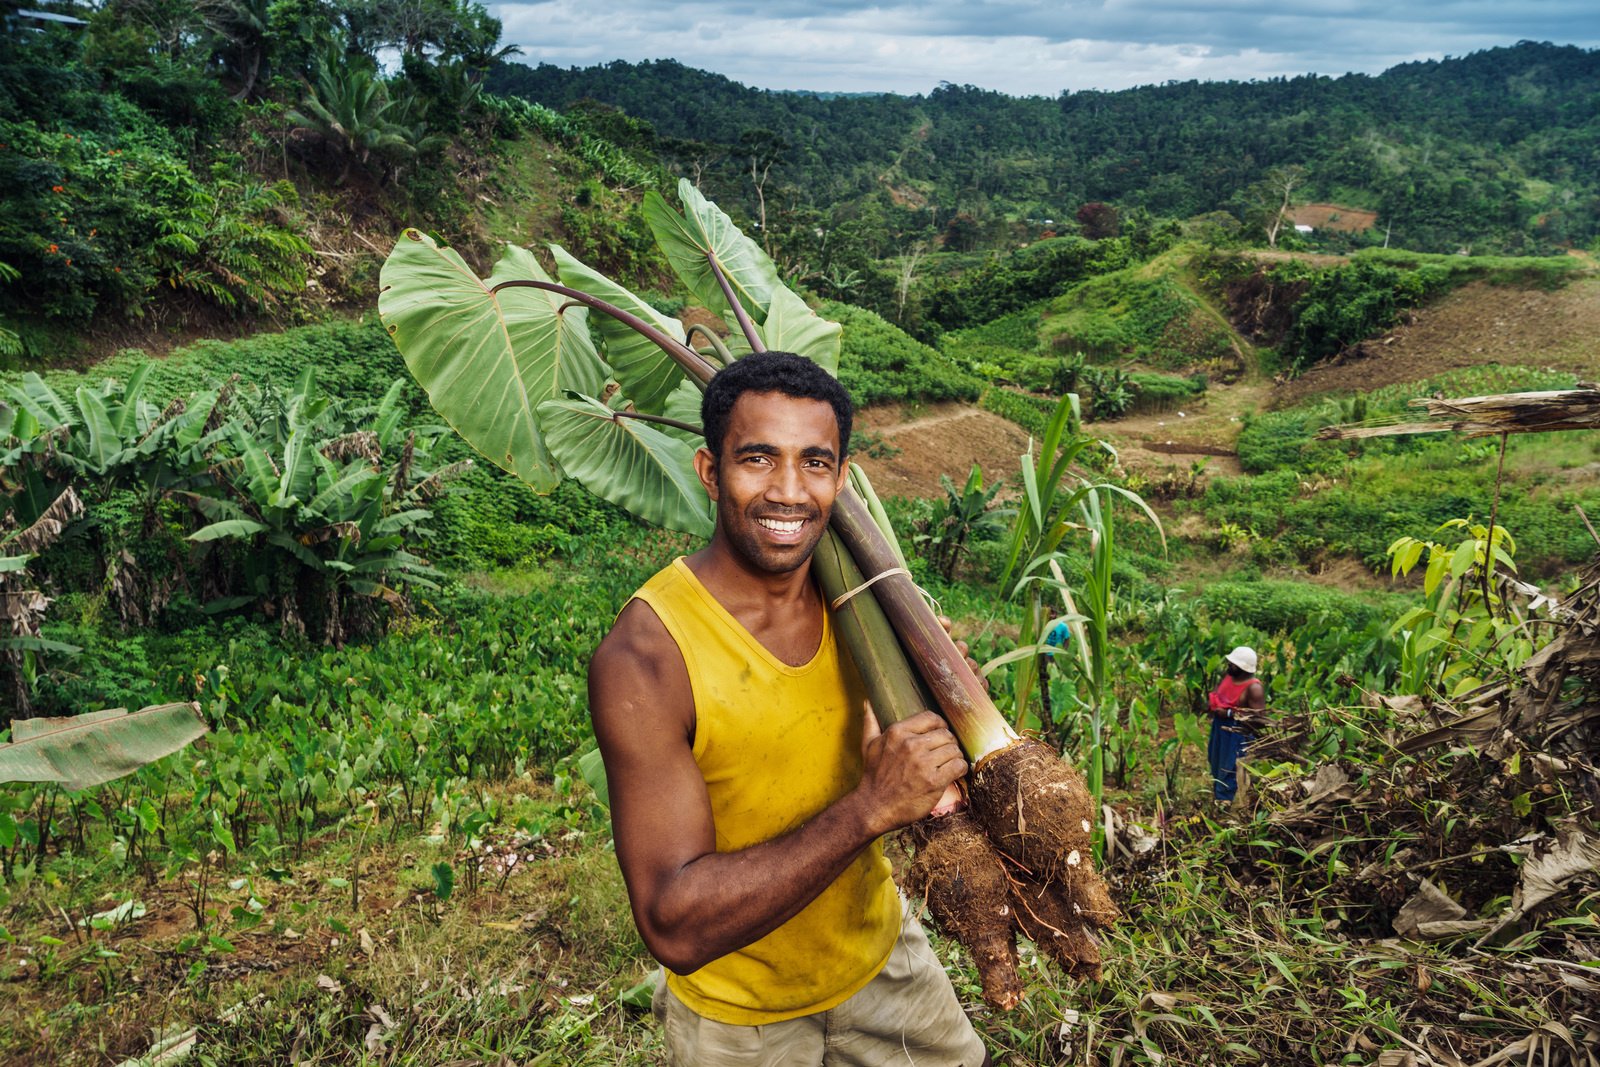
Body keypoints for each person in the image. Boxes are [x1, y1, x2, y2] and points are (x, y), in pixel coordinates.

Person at [588, 351, 992, 1066]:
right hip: (738, 1023)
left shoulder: (868, 613)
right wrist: (872, 806)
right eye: (757, 459)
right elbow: (673, 924)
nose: (788, 491)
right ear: (710, 471)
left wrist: (938, 704)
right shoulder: (648, 657)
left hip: (883, 959)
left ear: (842, 478)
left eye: (814, 463)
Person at [1207, 645, 1266, 802]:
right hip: (1220, 728)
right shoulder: (1229, 677)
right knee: (1216, 762)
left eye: (1233, 664)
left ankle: (1226, 803)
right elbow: (1218, 693)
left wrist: (1229, 714)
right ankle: (1219, 798)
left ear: (1242, 668)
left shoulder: (1254, 688)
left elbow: (1259, 719)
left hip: (1237, 733)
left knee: (1230, 768)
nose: (1229, 665)